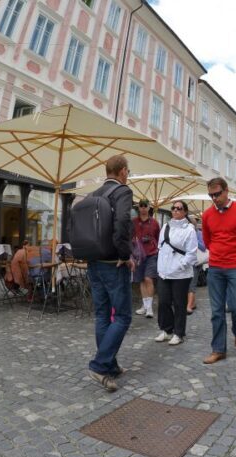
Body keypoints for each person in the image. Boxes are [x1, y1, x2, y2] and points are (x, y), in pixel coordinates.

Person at [87, 155, 134, 392]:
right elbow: (123, 223)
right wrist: (125, 256)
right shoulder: (122, 192)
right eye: (128, 171)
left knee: (103, 315)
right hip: (113, 262)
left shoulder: (93, 194)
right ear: (123, 171)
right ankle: (100, 364)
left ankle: (111, 365)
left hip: (93, 262)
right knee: (123, 316)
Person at [201, 177, 236, 364]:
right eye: (211, 195)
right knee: (217, 311)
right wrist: (217, 254)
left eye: (217, 194)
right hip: (215, 266)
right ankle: (218, 350)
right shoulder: (207, 215)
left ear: (226, 191)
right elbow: (207, 240)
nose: (214, 198)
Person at [155, 200, 198, 346]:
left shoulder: (190, 230)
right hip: (164, 272)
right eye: (173, 208)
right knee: (163, 302)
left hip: (181, 274)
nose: (175, 210)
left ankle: (179, 333)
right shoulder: (165, 226)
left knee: (179, 304)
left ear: (185, 211)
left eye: (179, 208)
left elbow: (191, 254)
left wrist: (180, 265)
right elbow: (160, 247)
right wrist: (160, 266)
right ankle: (167, 330)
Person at [133, 199, 160, 319]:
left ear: (149, 208)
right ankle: (145, 305)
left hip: (151, 254)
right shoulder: (134, 222)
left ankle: (149, 308)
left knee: (148, 278)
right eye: (141, 206)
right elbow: (130, 237)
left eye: (145, 206)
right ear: (139, 208)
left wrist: (156, 247)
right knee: (141, 280)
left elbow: (158, 238)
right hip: (138, 255)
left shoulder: (154, 222)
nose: (143, 208)